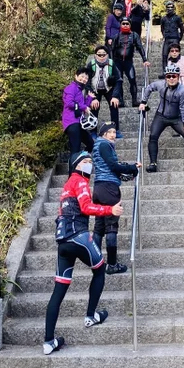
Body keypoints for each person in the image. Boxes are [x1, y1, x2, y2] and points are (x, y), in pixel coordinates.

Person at [43, 151, 123, 355]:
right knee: (100, 269)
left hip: (63, 242)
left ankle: (48, 341)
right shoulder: (78, 181)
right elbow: (86, 207)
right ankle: (90, 315)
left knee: (59, 290)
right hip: (78, 236)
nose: (90, 165)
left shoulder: (67, 185)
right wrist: (109, 211)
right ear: (77, 165)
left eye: (90, 161)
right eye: (86, 162)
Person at [92, 123, 140, 274]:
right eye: (109, 132)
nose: (113, 135)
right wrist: (132, 167)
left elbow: (110, 166)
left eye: (114, 132)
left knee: (99, 226)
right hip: (108, 189)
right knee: (111, 226)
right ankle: (112, 264)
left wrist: (125, 170)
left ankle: (95, 260)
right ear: (103, 134)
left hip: (99, 187)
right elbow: (113, 166)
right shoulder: (104, 145)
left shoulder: (99, 145)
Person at [140, 64, 184, 172]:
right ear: (165, 77)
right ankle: (153, 163)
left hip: (176, 118)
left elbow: (183, 109)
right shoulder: (160, 85)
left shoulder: (183, 91)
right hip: (161, 116)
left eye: (174, 76)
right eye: (168, 76)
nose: (171, 79)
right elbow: (149, 88)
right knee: (153, 136)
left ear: (178, 77)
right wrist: (143, 102)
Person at [112, 17, 150, 107]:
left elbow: (140, 47)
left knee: (132, 79)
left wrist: (144, 59)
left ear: (130, 25)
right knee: (118, 81)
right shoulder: (117, 36)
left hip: (128, 62)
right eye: (123, 23)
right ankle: (120, 101)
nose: (125, 25)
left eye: (127, 24)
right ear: (121, 25)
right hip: (117, 62)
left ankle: (134, 100)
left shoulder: (134, 35)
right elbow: (112, 49)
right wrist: (110, 62)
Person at [87, 45, 123, 136]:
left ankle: (116, 130)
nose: (102, 57)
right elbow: (86, 82)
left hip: (108, 89)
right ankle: (93, 131)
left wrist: (115, 96)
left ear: (107, 55)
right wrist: (92, 96)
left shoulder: (111, 63)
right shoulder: (91, 65)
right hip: (95, 89)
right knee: (94, 107)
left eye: (104, 54)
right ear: (95, 55)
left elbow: (119, 80)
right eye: (99, 55)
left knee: (114, 106)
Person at [62, 68, 97, 155]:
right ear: (76, 76)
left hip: (79, 123)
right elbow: (69, 103)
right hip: (71, 122)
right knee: (75, 149)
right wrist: (84, 107)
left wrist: (89, 98)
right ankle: (73, 167)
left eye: (86, 78)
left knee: (91, 144)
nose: (84, 79)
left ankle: (81, 159)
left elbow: (83, 105)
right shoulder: (71, 88)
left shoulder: (79, 90)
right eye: (82, 76)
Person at [160, 0, 184, 70]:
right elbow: (162, 28)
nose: (170, 9)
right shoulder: (163, 18)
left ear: (174, 8)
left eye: (171, 7)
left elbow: (182, 29)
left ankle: (177, 69)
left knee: (176, 55)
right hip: (167, 39)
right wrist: (164, 35)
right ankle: (165, 71)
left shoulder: (177, 18)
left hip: (175, 39)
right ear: (166, 8)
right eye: (168, 7)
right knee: (164, 55)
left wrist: (179, 37)